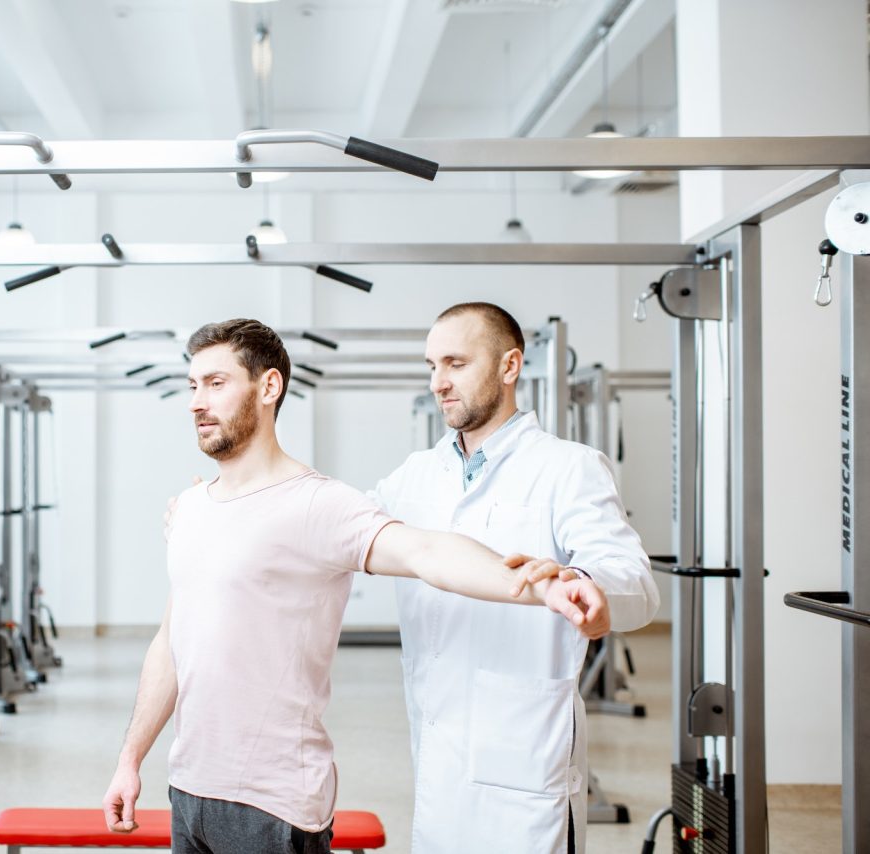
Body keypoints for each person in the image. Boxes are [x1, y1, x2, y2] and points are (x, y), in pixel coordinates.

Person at [102, 318, 609, 854]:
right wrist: (130, 759)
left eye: (216, 383)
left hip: (272, 808)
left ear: (269, 387)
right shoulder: (191, 509)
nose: (196, 402)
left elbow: (425, 550)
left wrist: (539, 587)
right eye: (192, 385)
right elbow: (170, 642)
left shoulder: (319, 503)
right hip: (188, 790)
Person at [374, 302, 660, 853]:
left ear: (509, 367)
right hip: (436, 750)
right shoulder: (414, 475)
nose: (439, 383)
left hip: (525, 752)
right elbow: (339, 529)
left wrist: (587, 583)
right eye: (432, 366)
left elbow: (636, 583)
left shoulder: (567, 466)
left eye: (455, 363)